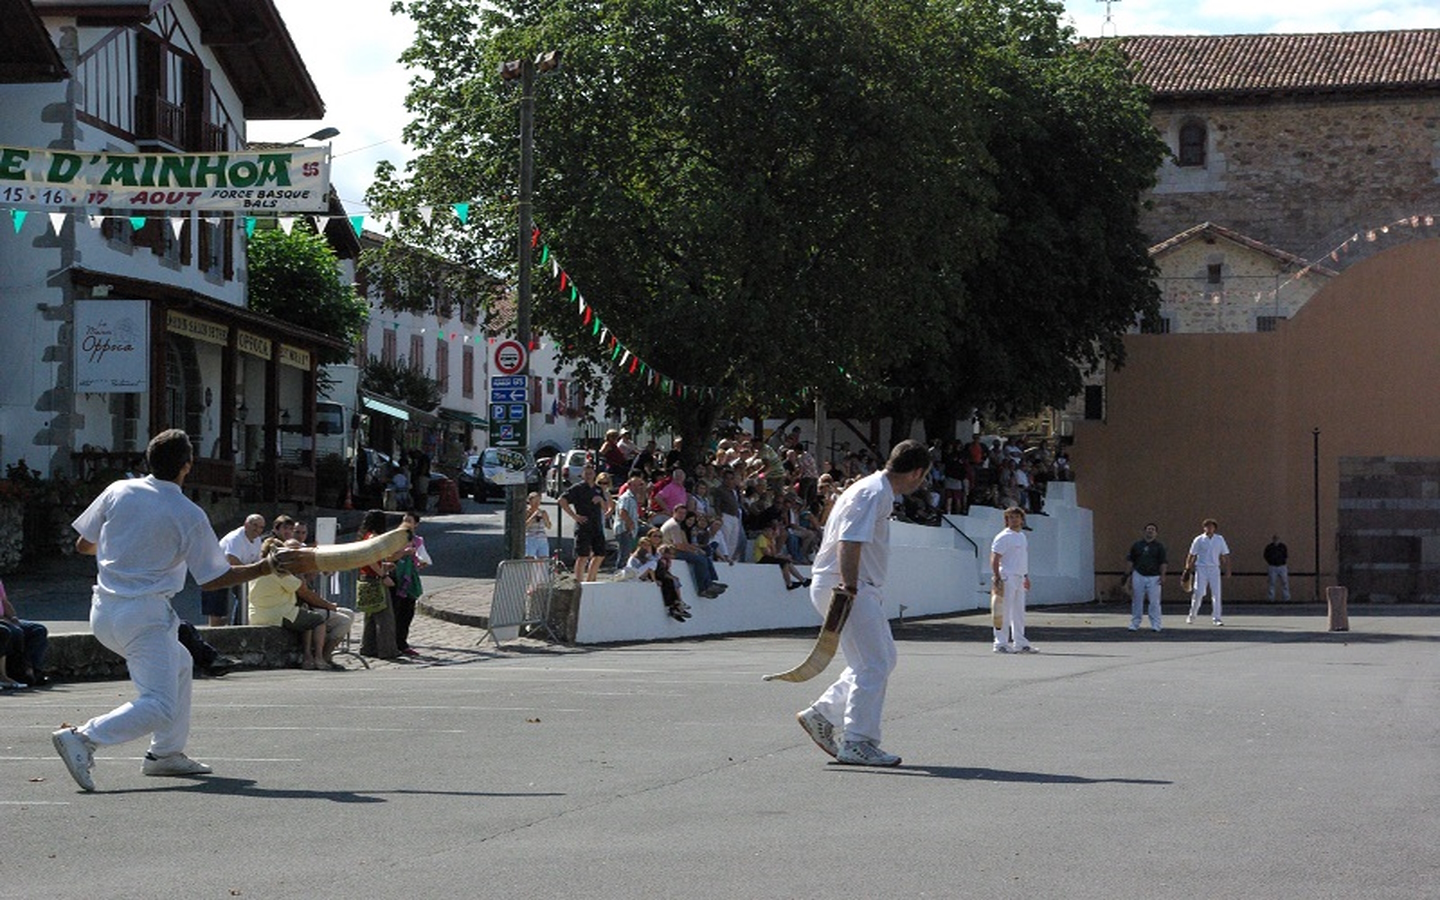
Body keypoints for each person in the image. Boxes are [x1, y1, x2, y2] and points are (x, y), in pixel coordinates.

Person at [54, 429, 303, 792]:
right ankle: (83, 737)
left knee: (182, 663)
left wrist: (125, 548)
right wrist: (265, 567)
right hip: (144, 616)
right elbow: (214, 578)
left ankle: (165, 755)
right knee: (159, 706)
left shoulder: (117, 490)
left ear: (148, 461)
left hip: (103, 610)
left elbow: (84, 544)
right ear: (187, 467)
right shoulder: (188, 513)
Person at [795, 439, 931, 768]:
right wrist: (850, 588)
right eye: (924, 475)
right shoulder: (874, 492)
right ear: (917, 472)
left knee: (880, 660)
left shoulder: (874, 489)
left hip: (851, 586)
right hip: (848, 587)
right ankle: (858, 741)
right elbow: (850, 541)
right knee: (874, 665)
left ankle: (822, 714)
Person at [247, 538, 352, 670]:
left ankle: (310, 657)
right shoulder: (279, 572)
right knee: (317, 620)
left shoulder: (259, 569)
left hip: (257, 614)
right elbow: (303, 591)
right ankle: (319, 658)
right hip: (279, 613)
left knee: (307, 618)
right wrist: (328, 605)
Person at [199, 513, 264, 626]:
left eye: (261, 527)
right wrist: (251, 572)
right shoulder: (236, 538)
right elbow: (232, 560)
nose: (257, 529)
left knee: (248, 598)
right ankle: (215, 635)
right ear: (246, 524)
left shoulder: (257, 540)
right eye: (255, 525)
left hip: (233, 573)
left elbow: (257, 560)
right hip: (215, 574)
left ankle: (238, 624)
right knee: (217, 613)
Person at [358, 509, 402, 659]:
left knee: (371, 616)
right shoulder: (374, 537)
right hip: (374, 579)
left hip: (367, 577)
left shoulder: (365, 536)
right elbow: (370, 560)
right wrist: (383, 575)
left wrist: (384, 565)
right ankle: (387, 650)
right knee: (385, 617)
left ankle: (368, 647)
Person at [991, 506, 1035, 653]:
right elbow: (995, 557)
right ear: (1006, 520)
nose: (1014, 520)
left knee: (1018, 612)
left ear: (1022, 519)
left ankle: (1020, 642)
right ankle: (1001, 644)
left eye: (1016, 517)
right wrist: (997, 577)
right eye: (1010, 517)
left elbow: (1021, 559)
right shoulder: (1003, 536)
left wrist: (1026, 577)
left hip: (1019, 578)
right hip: (1007, 577)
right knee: (1003, 611)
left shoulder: (1022, 537)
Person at [659, 503, 726, 598]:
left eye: (684, 513)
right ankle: (703, 588)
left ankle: (710, 583)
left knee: (704, 556)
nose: (682, 515)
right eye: (680, 513)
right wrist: (693, 551)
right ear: (674, 512)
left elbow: (684, 544)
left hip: (674, 549)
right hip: (670, 552)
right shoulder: (674, 525)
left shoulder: (677, 524)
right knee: (700, 559)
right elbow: (679, 546)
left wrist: (696, 549)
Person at [558, 463, 611, 582]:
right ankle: (579, 581)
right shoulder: (578, 488)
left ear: (594, 474)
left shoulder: (598, 489)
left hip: (596, 525)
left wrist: (601, 500)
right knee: (583, 555)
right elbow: (562, 500)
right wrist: (574, 516)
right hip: (583, 525)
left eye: (590, 473)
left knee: (600, 553)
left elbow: (606, 508)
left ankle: (591, 579)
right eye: (586, 473)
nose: (588, 476)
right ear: (582, 474)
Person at [0, 577, 48, 686]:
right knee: (14, 632)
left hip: (4, 618)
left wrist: (13, 618)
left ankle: (33, 671)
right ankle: (19, 672)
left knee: (38, 630)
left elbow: (4, 601)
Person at [1184, 518, 1232, 625]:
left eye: (1211, 526)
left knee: (1216, 594)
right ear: (1204, 528)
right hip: (1201, 568)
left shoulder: (1219, 539)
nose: (1209, 528)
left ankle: (1217, 618)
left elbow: (1225, 555)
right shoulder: (1199, 539)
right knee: (1199, 593)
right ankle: (1191, 616)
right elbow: (1192, 554)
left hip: (1214, 569)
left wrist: (1228, 569)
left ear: (1214, 528)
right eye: (1207, 526)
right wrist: (1187, 568)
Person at [1125, 523, 1167, 632]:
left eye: (1153, 530)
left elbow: (1163, 562)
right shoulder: (1137, 545)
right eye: (1148, 529)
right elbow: (1130, 560)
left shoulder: (1159, 546)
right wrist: (1127, 575)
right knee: (1137, 600)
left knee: (1154, 601)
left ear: (1156, 533)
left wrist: (1163, 575)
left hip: (1154, 576)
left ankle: (1156, 624)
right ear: (1144, 532)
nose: (1150, 531)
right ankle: (1135, 623)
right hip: (1138, 574)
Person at [753, 517, 809, 590]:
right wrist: (780, 556)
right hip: (761, 559)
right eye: (769, 531)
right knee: (784, 562)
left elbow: (774, 553)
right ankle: (789, 583)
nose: (771, 533)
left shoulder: (770, 540)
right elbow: (766, 553)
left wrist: (773, 544)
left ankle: (802, 579)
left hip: (768, 557)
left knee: (787, 562)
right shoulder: (762, 538)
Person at [612, 476, 645, 566]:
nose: (637, 487)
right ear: (629, 486)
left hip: (630, 529)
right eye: (634, 485)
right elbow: (622, 512)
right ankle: (618, 573)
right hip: (624, 529)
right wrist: (629, 524)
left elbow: (642, 500)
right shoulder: (626, 497)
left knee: (626, 554)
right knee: (624, 555)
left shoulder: (634, 498)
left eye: (639, 485)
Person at [524, 492, 553, 559]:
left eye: (539, 501)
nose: (537, 503)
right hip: (530, 538)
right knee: (529, 559)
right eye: (535, 501)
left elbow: (549, 526)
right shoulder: (526, 512)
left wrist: (546, 519)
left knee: (543, 560)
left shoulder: (542, 512)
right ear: (530, 501)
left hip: (542, 538)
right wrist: (533, 516)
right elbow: (525, 526)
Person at [1264, 535, 1291, 602]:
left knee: (1285, 582)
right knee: (1272, 582)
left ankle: (1286, 598)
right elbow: (1265, 555)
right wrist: (1270, 561)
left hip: (1282, 566)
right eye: (1275, 539)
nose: (1276, 540)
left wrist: (1282, 561)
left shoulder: (1282, 546)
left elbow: (1285, 555)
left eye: (1277, 539)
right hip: (1273, 566)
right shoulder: (1269, 547)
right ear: (1273, 539)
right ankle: (1271, 598)